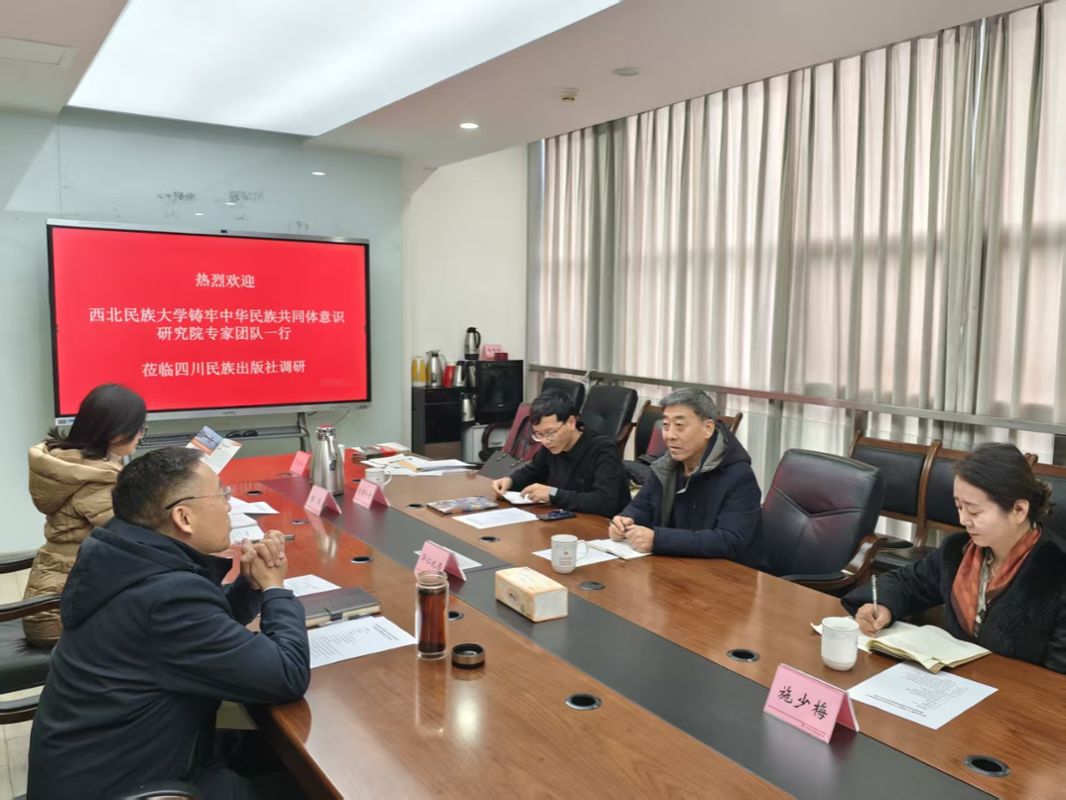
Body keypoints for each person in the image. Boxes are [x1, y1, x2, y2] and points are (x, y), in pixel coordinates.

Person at [27, 447, 311, 799]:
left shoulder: (123, 554)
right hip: (130, 785)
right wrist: (275, 589)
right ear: (183, 517)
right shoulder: (166, 599)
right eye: (221, 495)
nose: (228, 505)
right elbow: (287, 675)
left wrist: (248, 584)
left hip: (123, 758)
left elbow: (196, 628)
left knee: (285, 756)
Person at [842, 442, 1066, 673]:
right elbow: (908, 584)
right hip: (954, 683)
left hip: (1018, 692)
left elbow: (1059, 678)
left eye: (974, 511)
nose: (963, 520)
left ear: (1019, 510)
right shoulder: (959, 551)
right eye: (959, 507)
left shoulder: (1057, 570)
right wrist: (884, 607)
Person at [24, 383, 147, 645]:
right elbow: (131, 534)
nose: (141, 437)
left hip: (52, 594)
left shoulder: (67, 462)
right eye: (140, 429)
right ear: (117, 435)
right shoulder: (96, 478)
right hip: (61, 615)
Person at [608, 388, 765, 568]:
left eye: (680, 426)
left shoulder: (738, 475)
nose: (670, 435)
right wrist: (626, 520)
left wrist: (658, 540)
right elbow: (641, 506)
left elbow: (731, 540)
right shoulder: (665, 466)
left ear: (707, 428)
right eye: (666, 425)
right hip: (675, 566)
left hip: (726, 574)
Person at [490, 389, 631, 517]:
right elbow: (532, 472)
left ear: (571, 422)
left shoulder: (603, 449)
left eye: (550, 432)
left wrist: (552, 493)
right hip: (566, 518)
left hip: (603, 527)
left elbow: (604, 502)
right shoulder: (551, 446)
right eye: (538, 434)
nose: (545, 441)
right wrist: (510, 481)